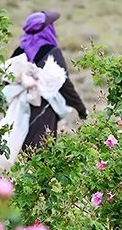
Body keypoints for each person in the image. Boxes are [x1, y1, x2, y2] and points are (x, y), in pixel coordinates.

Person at [10, 10, 88, 147]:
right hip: (44, 110)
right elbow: (65, 84)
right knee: (42, 154)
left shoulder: (19, 52)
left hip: (20, 109)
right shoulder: (51, 52)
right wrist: (81, 109)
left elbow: (8, 78)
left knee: (21, 150)